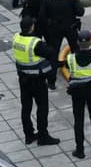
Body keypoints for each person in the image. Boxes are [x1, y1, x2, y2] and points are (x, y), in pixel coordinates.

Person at [11, 16, 60, 146]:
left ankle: (28, 135)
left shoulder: (16, 38)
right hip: (37, 80)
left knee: (26, 108)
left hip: (23, 79)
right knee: (42, 108)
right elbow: (50, 53)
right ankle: (43, 136)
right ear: (32, 28)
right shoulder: (35, 43)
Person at [66, 28, 91, 158]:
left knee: (79, 121)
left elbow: (68, 69)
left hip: (77, 93)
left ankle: (80, 150)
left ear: (77, 42)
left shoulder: (71, 59)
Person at [39, 0, 84, 90]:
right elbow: (80, 12)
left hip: (54, 29)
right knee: (76, 52)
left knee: (53, 54)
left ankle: (51, 82)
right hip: (71, 28)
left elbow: (42, 16)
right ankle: (79, 76)